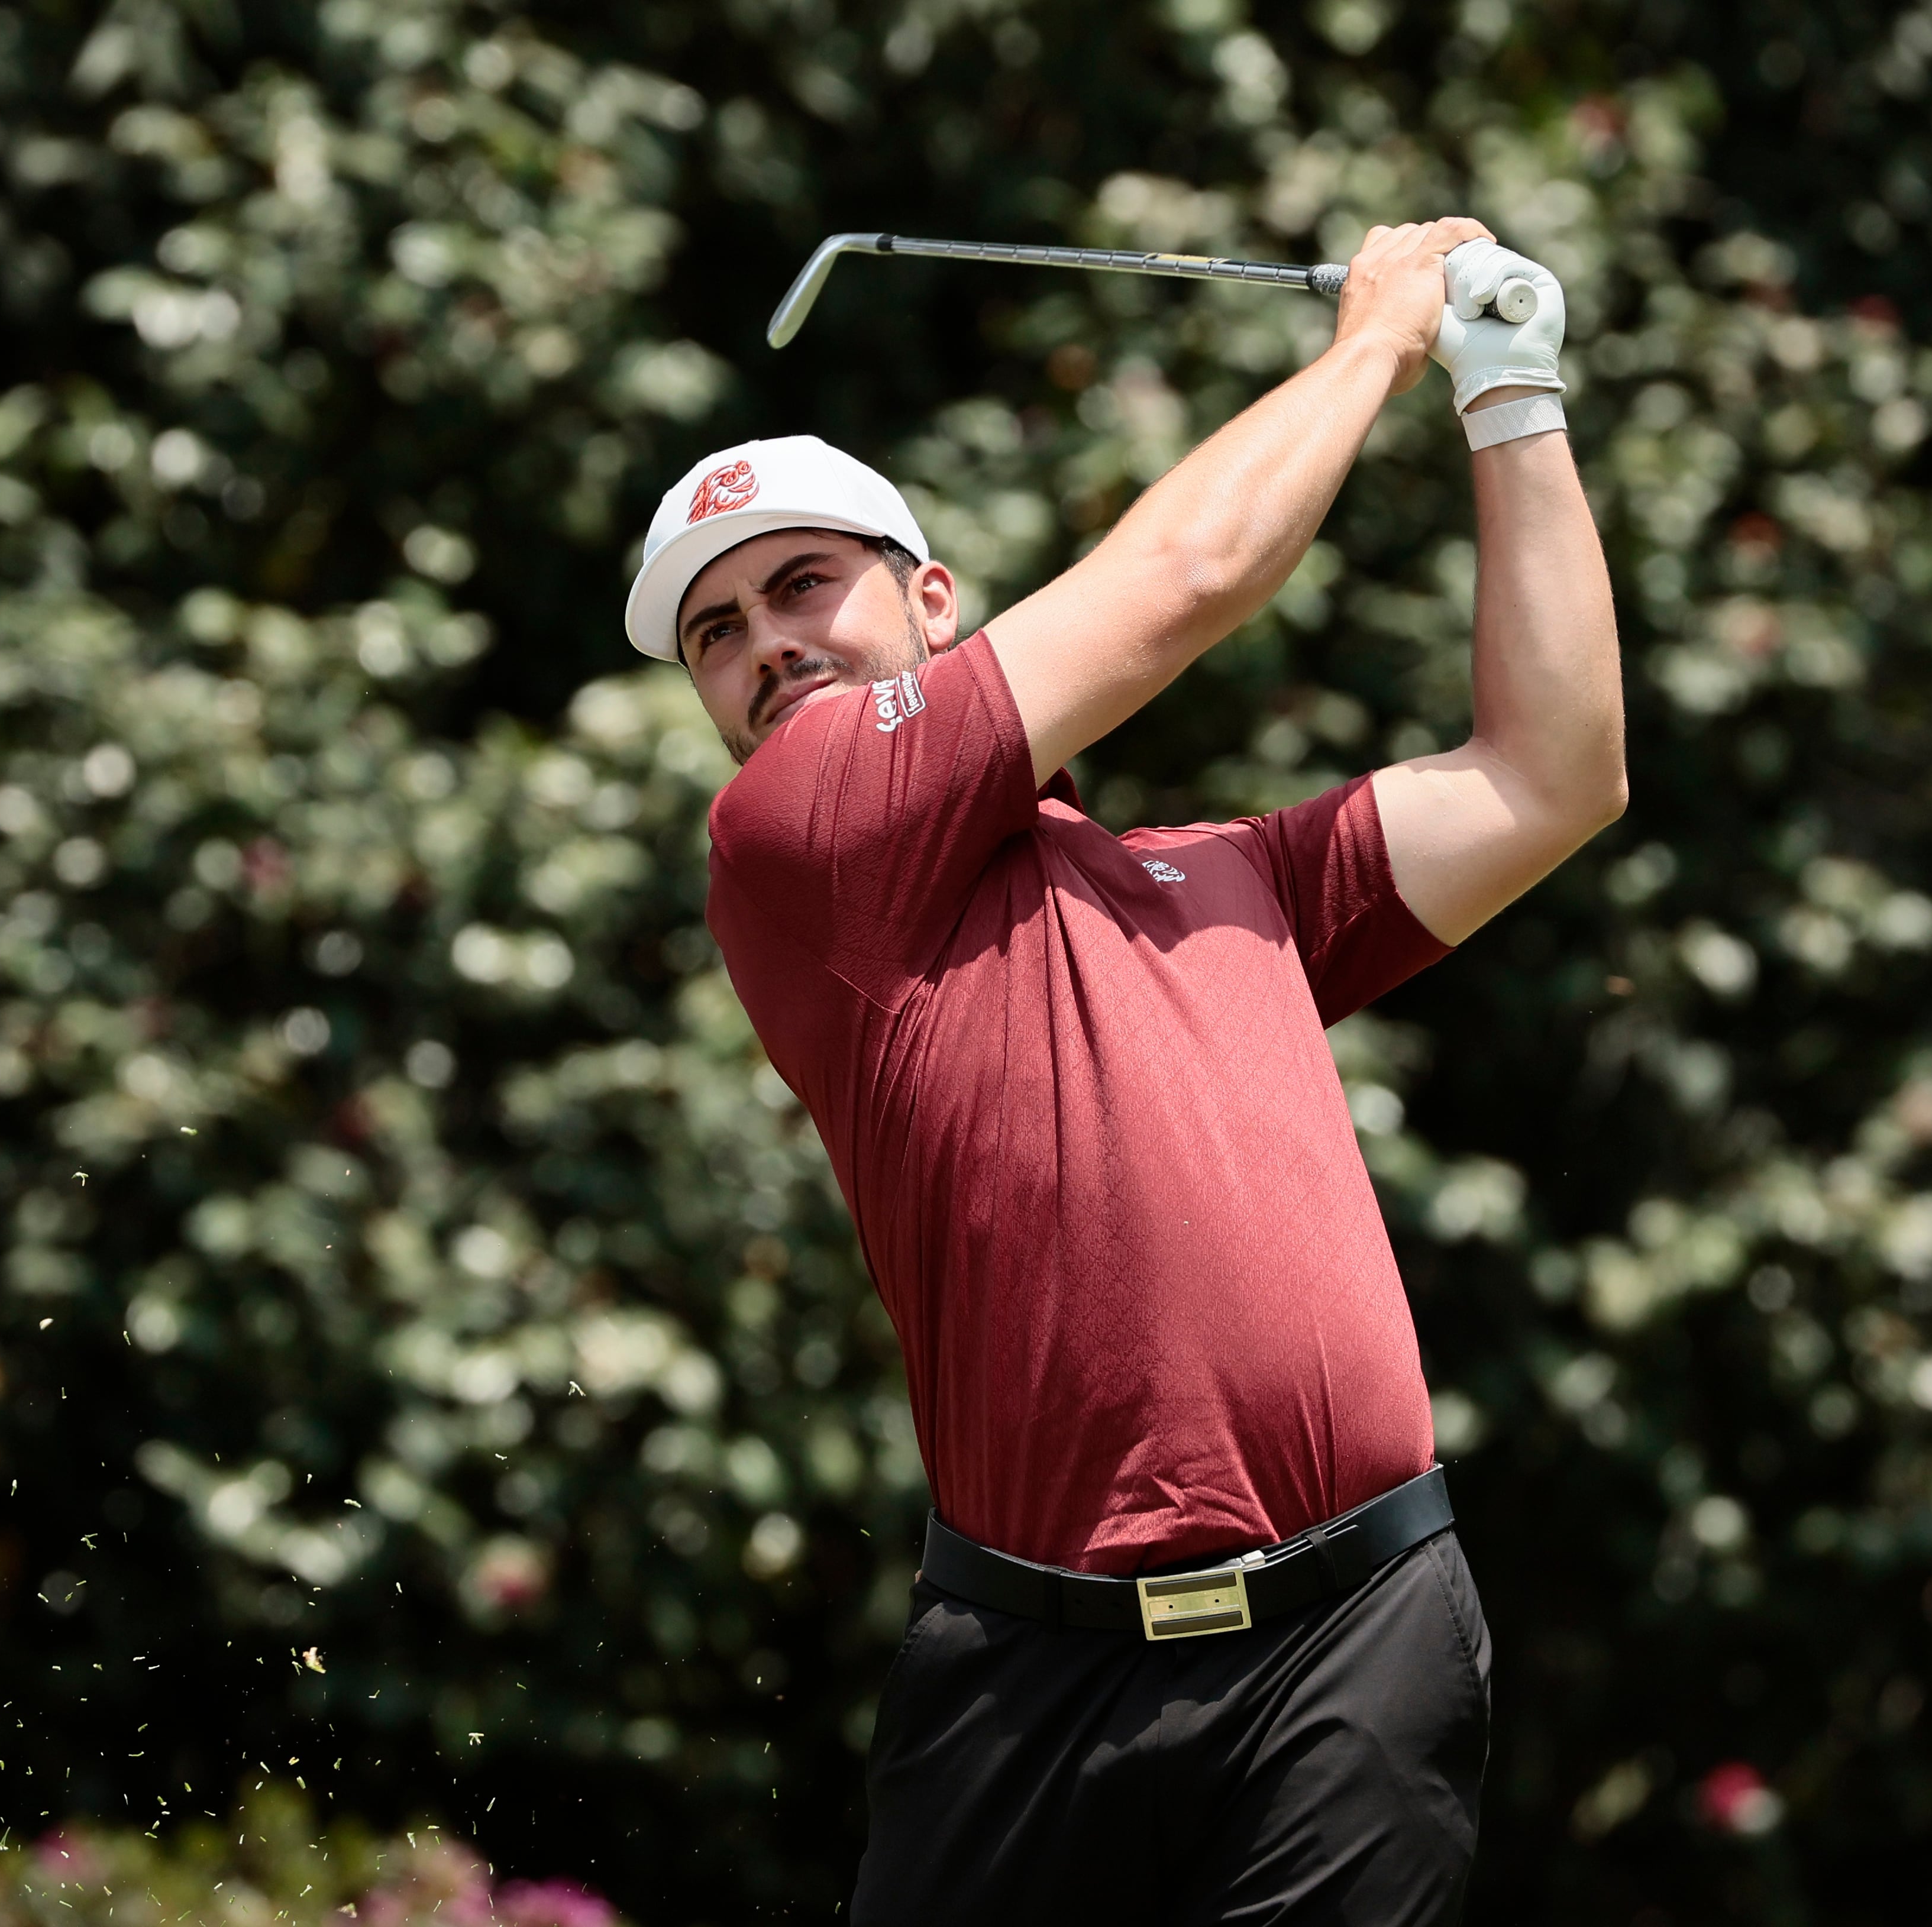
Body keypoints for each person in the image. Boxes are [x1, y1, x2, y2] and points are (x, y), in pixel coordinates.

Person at [622, 221, 1621, 1920]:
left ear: (932, 600)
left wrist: (1510, 393)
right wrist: (1374, 341)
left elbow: (1552, 776)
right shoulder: (795, 836)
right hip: (1033, 1674)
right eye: (715, 631)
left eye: (803, 584)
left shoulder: (1219, 880)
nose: (765, 641)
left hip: (1353, 1642)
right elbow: (1185, 580)